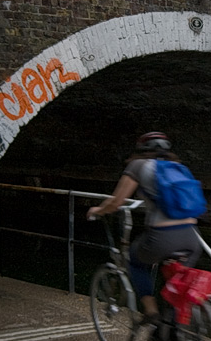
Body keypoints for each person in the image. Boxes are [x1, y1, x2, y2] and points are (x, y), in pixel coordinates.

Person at [86, 131, 203, 330]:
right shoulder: (180, 168)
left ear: (140, 149)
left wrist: (99, 210)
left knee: (135, 260)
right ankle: (175, 331)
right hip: (192, 238)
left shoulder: (138, 165)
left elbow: (117, 202)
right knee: (176, 280)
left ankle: (150, 312)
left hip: (162, 238)